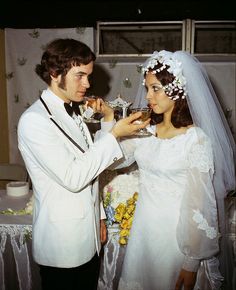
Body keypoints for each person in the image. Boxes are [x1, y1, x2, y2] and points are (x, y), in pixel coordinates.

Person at [95, 50, 235, 290]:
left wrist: (191, 262)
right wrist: (109, 119)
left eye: (155, 88)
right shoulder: (145, 131)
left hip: (176, 240)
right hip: (144, 232)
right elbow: (111, 159)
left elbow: (200, 203)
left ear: (177, 89)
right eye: (147, 88)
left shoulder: (196, 140)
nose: (148, 95)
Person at [17, 38, 149, 290]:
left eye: (88, 76)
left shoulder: (73, 111)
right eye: (80, 75)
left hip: (88, 238)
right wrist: (114, 134)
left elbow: (93, 167)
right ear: (55, 74)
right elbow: (74, 177)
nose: (87, 84)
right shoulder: (34, 121)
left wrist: (98, 217)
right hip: (63, 246)